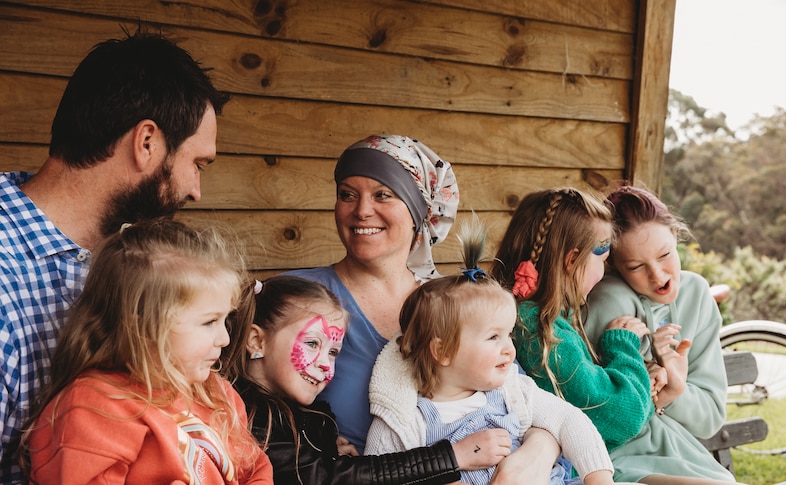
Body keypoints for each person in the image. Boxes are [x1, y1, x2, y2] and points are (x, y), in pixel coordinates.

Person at [0, 31, 230, 482]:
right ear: (147, 142)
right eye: (197, 164)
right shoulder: (6, 285)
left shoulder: (139, 264)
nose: (196, 191)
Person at [289, 134, 563, 483]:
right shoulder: (301, 296)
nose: (361, 210)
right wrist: (327, 456)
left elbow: (524, 399)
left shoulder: (453, 300)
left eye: (383, 195)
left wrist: (537, 453)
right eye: (347, 194)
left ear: (421, 211)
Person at [366, 219, 628, 485]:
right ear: (442, 351)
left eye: (508, 334)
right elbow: (378, 473)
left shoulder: (512, 392)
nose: (509, 349)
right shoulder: (405, 421)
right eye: (493, 337)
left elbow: (569, 421)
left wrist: (599, 479)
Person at [21, 219, 271, 484]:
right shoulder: (95, 408)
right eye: (209, 322)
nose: (224, 338)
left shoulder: (215, 393)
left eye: (225, 320)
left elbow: (255, 468)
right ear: (143, 327)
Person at [225, 274, 508, 484]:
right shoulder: (246, 414)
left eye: (334, 351)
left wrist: (330, 450)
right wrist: (451, 457)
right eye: (312, 344)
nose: (325, 364)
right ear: (256, 341)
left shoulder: (303, 414)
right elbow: (320, 478)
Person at [581, 184, 739, 485]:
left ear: (676, 235)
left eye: (665, 254)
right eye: (636, 266)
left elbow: (709, 418)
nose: (658, 275)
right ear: (614, 265)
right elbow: (595, 412)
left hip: (684, 456)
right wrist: (648, 387)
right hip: (616, 460)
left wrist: (674, 391)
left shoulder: (696, 296)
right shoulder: (611, 301)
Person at [490, 187, 655, 453]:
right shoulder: (542, 332)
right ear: (573, 259)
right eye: (602, 259)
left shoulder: (515, 313)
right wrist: (623, 348)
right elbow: (625, 418)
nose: (603, 271)